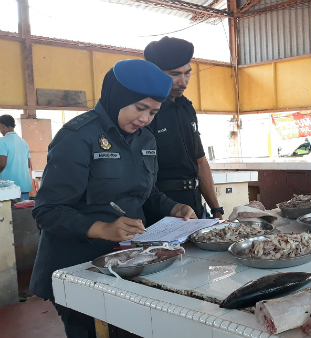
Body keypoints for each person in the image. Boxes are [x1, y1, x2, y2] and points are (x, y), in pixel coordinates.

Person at [30, 59, 197, 338]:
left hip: (125, 261)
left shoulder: (145, 139)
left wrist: (173, 206)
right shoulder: (78, 137)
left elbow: (145, 192)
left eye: (153, 113)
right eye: (139, 108)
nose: (145, 119)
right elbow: (47, 210)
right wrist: (101, 229)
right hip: (76, 265)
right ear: (118, 97)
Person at [143, 36, 223, 223]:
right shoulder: (146, 112)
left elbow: (200, 161)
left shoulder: (186, 108)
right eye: (175, 74)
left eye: (187, 73)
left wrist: (215, 208)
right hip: (161, 209)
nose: (183, 82)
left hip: (194, 204)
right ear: (156, 73)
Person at [0, 115, 32, 200]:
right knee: (24, 211)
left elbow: (2, 164)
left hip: (9, 188)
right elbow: (29, 164)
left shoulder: (2, 141)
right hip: (24, 186)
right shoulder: (23, 142)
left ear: (2, 125)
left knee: (9, 212)